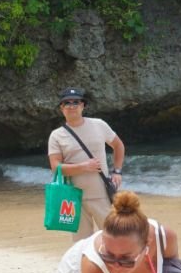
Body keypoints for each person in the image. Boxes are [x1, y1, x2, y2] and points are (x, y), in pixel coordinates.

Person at [47, 88, 125, 241]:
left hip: (101, 194)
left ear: (82, 105)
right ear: (61, 108)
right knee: (81, 244)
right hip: (73, 198)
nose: (71, 106)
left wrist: (117, 171)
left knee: (113, 239)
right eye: (66, 103)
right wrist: (83, 166)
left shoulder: (99, 125)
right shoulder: (56, 135)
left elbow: (118, 146)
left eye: (75, 102)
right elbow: (56, 168)